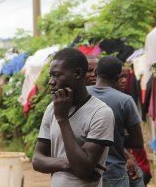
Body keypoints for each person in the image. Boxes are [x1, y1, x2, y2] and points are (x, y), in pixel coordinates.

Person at [32, 48, 115, 187]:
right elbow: (37, 161)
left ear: (77, 73)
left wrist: (62, 119)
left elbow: (83, 170)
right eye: (51, 76)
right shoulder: (51, 109)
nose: (51, 82)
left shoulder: (101, 112)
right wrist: (66, 163)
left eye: (57, 75)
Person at [87, 56, 144, 187]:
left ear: (96, 72)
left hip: (85, 169)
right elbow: (138, 142)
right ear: (117, 77)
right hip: (113, 172)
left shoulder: (81, 95)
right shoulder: (125, 101)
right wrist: (116, 137)